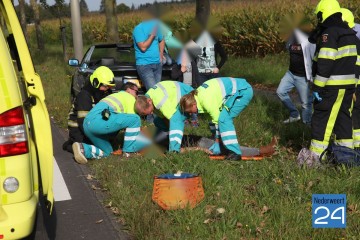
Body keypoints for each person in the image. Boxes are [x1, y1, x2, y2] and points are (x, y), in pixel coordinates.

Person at [304, 0, 358, 162]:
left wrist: (317, 87)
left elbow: (325, 62)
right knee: (343, 119)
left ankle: (315, 156)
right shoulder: (349, 33)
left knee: (322, 117)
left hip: (331, 86)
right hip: (348, 85)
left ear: (323, 13)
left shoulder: (330, 33)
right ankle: (346, 158)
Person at [180, 77, 253, 160]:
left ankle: (235, 153)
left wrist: (217, 141)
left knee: (224, 119)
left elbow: (217, 120)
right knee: (220, 119)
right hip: (236, 91)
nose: (190, 113)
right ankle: (228, 147)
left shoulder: (205, 100)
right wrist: (214, 136)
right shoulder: (198, 98)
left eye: (190, 111)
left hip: (242, 91)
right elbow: (212, 119)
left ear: (193, 104)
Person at [72, 90, 152, 164]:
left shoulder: (123, 94)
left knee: (108, 152)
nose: (151, 113)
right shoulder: (133, 110)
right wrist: (146, 141)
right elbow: (134, 132)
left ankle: (83, 149)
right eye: (144, 114)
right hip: (97, 121)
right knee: (135, 119)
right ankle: (128, 153)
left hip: (88, 124)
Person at [62, 66, 114, 153]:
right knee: (87, 148)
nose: (107, 89)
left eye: (109, 86)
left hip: (91, 125)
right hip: (78, 129)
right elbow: (83, 122)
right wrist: (95, 138)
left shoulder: (102, 93)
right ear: (95, 83)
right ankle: (71, 145)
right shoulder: (84, 96)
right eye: (105, 86)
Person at [276, 29, 315, 124]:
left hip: (303, 77)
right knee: (280, 92)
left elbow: (314, 59)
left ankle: (306, 123)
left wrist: (313, 77)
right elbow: (287, 48)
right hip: (290, 73)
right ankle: (294, 114)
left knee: (305, 103)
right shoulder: (291, 40)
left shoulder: (310, 42)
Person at [144, 81, 194, 153]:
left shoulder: (158, 100)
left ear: (149, 102)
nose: (151, 113)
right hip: (178, 98)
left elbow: (174, 119)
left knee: (176, 120)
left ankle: (174, 149)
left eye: (150, 111)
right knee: (157, 121)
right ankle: (165, 140)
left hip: (186, 95)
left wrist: (173, 130)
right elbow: (165, 118)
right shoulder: (149, 100)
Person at [341, 8, 360, 149]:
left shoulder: (350, 42)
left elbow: (355, 65)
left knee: (351, 114)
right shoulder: (355, 39)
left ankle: (349, 148)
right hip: (355, 83)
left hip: (353, 84)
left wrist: (352, 87)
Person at [133, 19, 165, 90]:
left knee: (158, 90)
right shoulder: (138, 29)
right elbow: (143, 47)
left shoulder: (156, 26)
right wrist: (152, 35)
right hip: (144, 65)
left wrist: (161, 53)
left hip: (157, 64)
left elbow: (162, 40)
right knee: (153, 91)